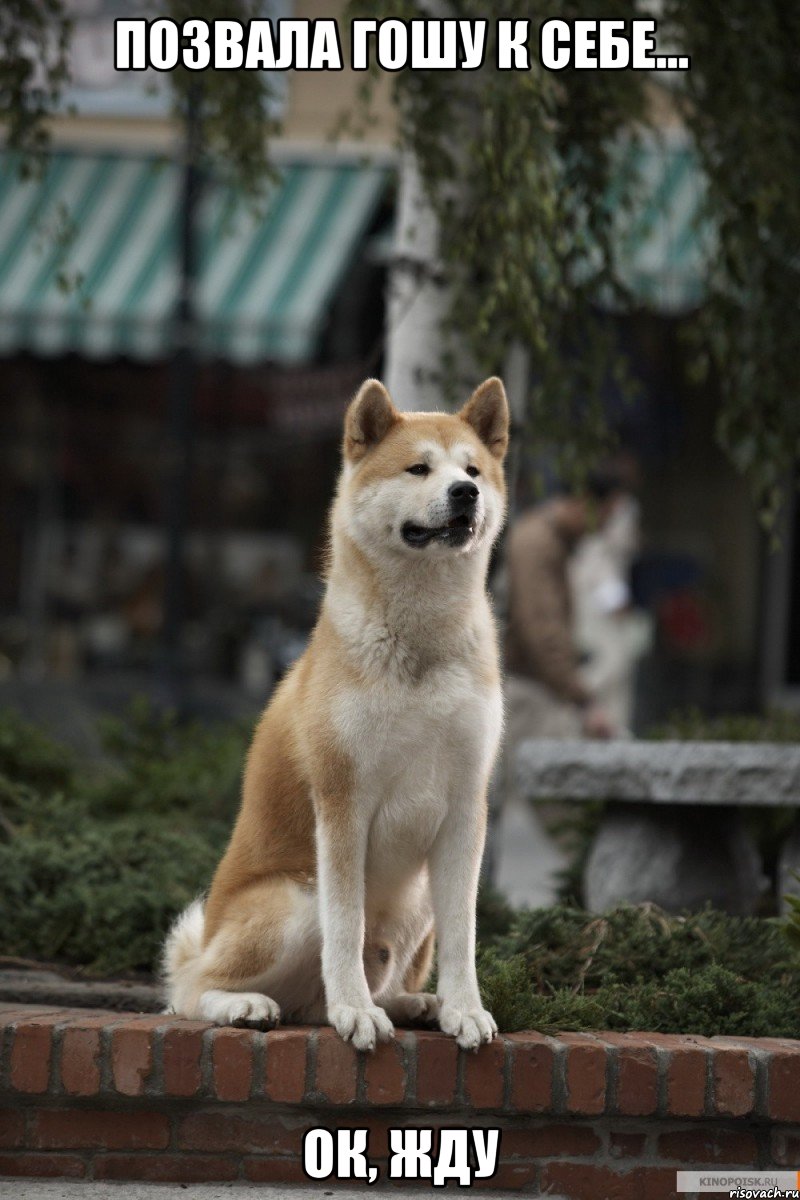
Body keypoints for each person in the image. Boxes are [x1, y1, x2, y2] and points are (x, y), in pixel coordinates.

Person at [504, 470, 627, 743]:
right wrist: (583, 701)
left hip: (537, 687)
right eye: (606, 515)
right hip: (527, 691)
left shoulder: (551, 541)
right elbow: (542, 630)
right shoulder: (538, 544)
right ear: (586, 502)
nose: (605, 527)